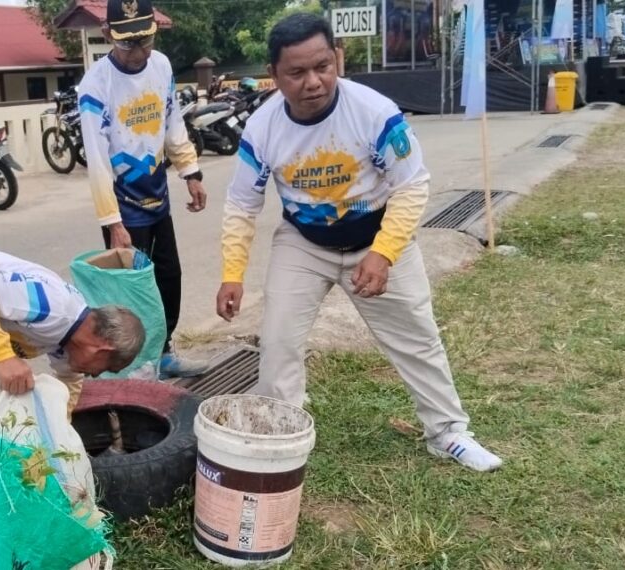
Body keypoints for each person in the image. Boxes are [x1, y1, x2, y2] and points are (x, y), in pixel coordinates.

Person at [215, 13, 502, 472]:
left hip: (379, 236)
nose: (314, 82)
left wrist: (384, 253)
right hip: (304, 243)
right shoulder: (262, 129)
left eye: (323, 66)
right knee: (278, 343)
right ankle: (282, 439)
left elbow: (412, 186)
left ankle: (448, 434)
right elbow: (241, 205)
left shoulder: (374, 111)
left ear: (337, 59)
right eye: (297, 72)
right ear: (274, 76)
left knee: (417, 338)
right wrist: (232, 275)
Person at [77, 0, 208, 379]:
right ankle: (130, 365)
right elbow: (98, 160)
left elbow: (173, 123)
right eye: (127, 43)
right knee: (129, 290)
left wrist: (191, 172)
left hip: (158, 195)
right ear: (107, 35)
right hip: (122, 203)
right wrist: (112, 221)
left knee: (170, 275)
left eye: (144, 41)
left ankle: (163, 353)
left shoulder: (162, 65)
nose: (138, 52)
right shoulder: (95, 84)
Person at [0, 241, 146, 412]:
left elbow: (69, 383)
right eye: (99, 369)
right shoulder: (54, 307)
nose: (92, 374)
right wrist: (2, 357)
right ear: (101, 350)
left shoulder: (72, 341)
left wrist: (60, 429)